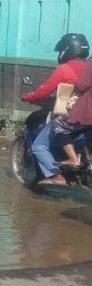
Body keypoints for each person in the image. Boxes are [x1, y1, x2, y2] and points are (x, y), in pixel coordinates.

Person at [22, 33, 88, 186]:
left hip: (71, 114)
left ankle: (56, 175)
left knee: (39, 146)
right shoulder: (88, 68)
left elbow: (44, 91)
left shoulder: (64, 69)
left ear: (67, 50)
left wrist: (28, 97)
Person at [48, 38, 92, 184]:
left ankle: (73, 158)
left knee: (58, 124)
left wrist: (76, 90)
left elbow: (82, 84)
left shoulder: (64, 68)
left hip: (87, 109)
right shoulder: (84, 62)